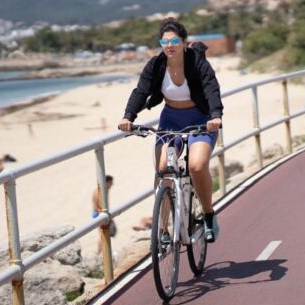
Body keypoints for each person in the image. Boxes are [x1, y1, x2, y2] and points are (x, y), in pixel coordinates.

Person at [118, 17, 224, 243]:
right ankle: (164, 229)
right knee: (163, 169)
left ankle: (207, 215)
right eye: (164, 41)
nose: (169, 45)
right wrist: (128, 116)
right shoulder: (156, 65)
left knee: (196, 166)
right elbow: (141, 91)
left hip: (201, 119)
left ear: (184, 43)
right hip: (170, 120)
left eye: (175, 40)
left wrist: (215, 116)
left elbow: (211, 87)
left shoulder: (196, 62)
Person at [92, 175, 116, 252]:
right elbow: (96, 206)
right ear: (106, 183)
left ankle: (103, 252)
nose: (112, 185)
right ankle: (99, 253)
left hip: (102, 212)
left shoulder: (106, 189)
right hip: (98, 213)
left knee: (105, 234)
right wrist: (105, 216)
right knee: (102, 235)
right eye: (111, 183)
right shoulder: (98, 192)